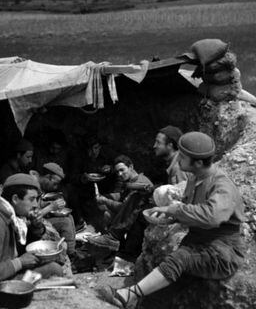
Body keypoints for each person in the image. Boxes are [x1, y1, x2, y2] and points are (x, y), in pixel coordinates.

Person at [99, 132, 244, 309]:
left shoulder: (222, 185)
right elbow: (188, 210)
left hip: (222, 252)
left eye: (182, 156)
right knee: (160, 291)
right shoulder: (193, 179)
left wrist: (175, 209)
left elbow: (212, 216)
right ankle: (138, 300)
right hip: (196, 243)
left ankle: (128, 295)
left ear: (198, 162)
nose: (178, 159)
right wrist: (167, 214)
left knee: (180, 258)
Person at [0, 173, 64, 284]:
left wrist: (35, 227)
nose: (35, 205)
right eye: (32, 199)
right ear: (15, 199)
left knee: (51, 263)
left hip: (2, 268)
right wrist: (20, 262)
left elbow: (16, 246)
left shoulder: (7, 213)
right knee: (54, 270)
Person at [87, 155, 153, 259]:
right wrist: (108, 197)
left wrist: (106, 200)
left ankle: (113, 237)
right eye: (117, 172)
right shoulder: (130, 181)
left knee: (109, 212)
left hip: (138, 222)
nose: (120, 174)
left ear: (131, 167)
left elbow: (124, 208)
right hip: (130, 218)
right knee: (106, 212)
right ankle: (114, 244)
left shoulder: (141, 183)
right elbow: (122, 196)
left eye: (122, 170)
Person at [37, 162, 76, 258]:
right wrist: (51, 207)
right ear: (48, 177)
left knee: (69, 217)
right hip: (34, 225)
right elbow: (33, 215)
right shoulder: (32, 187)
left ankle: (71, 250)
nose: (55, 187)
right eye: (54, 183)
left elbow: (38, 204)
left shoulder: (39, 187)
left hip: (40, 219)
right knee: (65, 222)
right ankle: (70, 255)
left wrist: (47, 204)